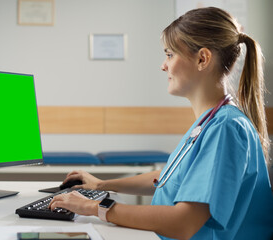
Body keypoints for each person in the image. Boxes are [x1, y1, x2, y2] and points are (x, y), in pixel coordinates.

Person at [48, 7, 273, 240]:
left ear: (202, 59)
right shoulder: (211, 122)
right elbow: (168, 177)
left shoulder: (225, 127)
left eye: (169, 55)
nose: (163, 65)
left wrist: (95, 208)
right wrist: (101, 185)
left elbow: (183, 222)